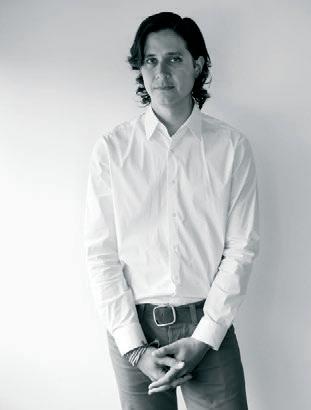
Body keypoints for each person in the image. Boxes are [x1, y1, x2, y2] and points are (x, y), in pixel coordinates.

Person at [84, 11, 259, 410]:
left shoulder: (231, 148)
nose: (161, 72)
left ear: (197, 65)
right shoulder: (112, 150)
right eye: (150, 60)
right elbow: (100, 254)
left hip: (208, 328)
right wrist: (134, 348)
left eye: (174, 58)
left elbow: (242, 248)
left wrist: (205, 336)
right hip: (133, 330)